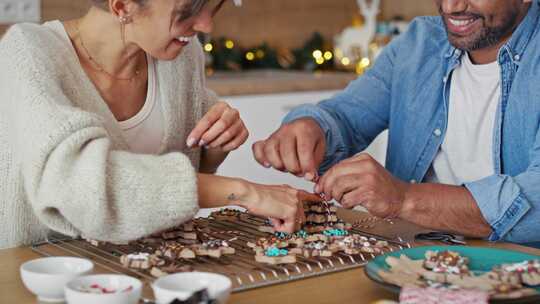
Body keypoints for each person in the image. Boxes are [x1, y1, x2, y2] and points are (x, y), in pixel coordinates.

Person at [0, 0, 316, 249]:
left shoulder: (182, 54)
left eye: (210, 5)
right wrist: (243, 192)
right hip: (44, 273)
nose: (206, 24)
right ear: (121, 6)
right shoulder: (28, 53)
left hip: (156, 271)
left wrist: (215, 149)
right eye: (186, 11)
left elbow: (175, 182)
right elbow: (83, 188)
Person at [253, 0, 540, 245]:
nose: (451, 6)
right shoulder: (420, 42)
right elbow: (346, 116)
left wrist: (403, 199)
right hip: (406, 262)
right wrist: (311, 127)